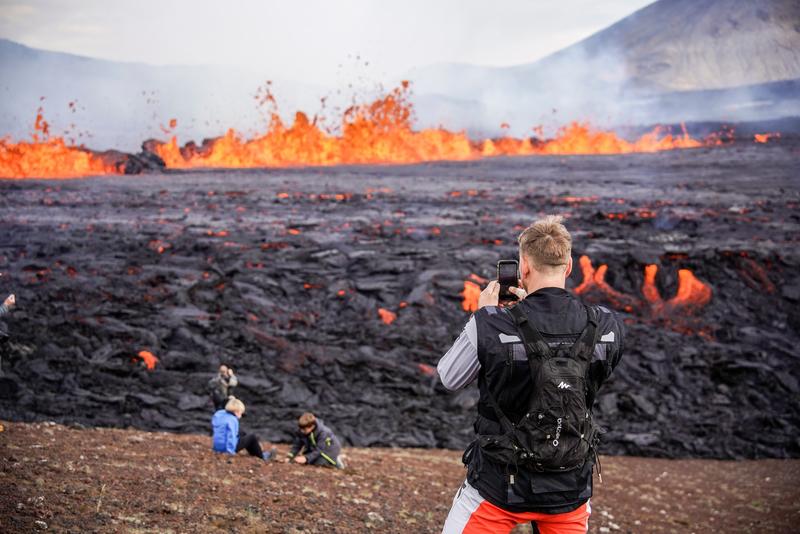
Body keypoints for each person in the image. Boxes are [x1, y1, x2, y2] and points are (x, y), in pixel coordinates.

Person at [438, 215, 625, 534]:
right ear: (568, 267)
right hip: (569, 488)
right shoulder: (605, 325)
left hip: (499, 488)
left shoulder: (492, 323)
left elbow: (449, 378)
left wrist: (483, 317)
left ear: (523, 267)